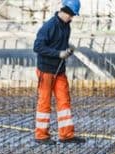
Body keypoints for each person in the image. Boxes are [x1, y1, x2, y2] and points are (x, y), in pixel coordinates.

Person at [33, 0, 85, 144]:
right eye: (71, 14)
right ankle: (41, 136)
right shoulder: (49, 26)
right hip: (46, 70)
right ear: (65, 10)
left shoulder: (66, 27)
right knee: (44, 102)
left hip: (59, 70)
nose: (72, 17)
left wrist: (66, 51)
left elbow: (60, 45)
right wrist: (58, 53)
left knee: (64, 101)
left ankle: (66, 135)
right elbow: (37, 47)